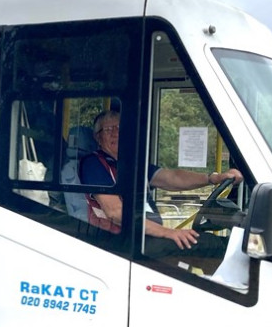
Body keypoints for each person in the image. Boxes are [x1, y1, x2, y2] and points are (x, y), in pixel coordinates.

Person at [78, 110, 243, 257]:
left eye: (120, 128)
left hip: (143, 237)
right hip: (117, 244)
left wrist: (212, 178)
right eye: (108, 130)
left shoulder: (131, 164)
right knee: (210, 246)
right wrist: (168, 233)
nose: (116, 133)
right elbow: (115, 212)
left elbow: (172, 178)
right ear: (98, 137)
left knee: (210, 243)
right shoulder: (93, 164)